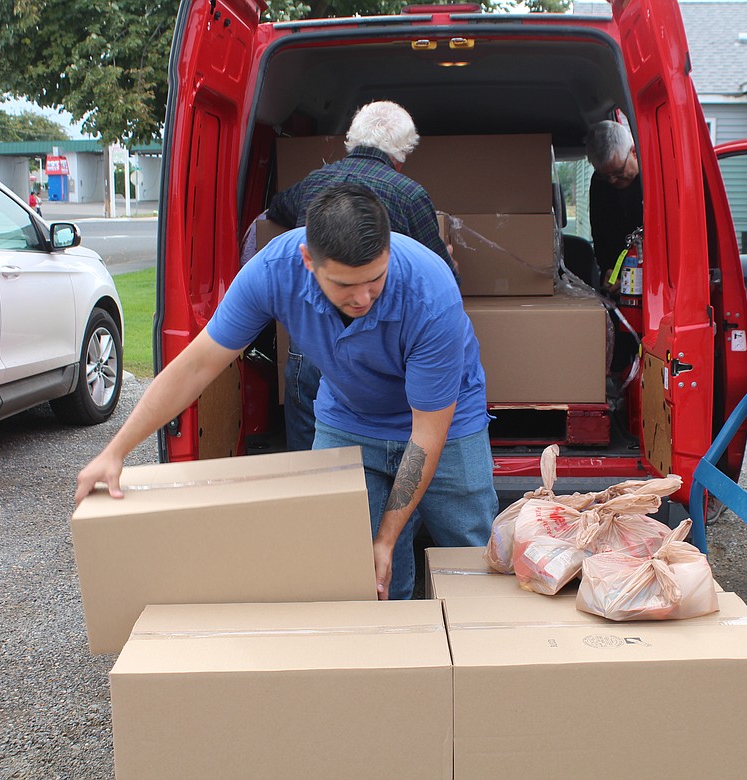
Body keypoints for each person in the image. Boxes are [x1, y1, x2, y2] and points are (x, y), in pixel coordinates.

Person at [75, 183, 496, 601]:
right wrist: (115, 451)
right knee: (355, 570)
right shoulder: (273, 272)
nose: (363, 297)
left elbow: (425, 435)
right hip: (350, 418)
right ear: (308, 261)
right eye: (345, 286)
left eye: (375, 280)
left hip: (444, 423)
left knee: (474, 554)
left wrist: (386, 538)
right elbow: (197, 364)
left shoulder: (430, 292)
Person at [267, 100, 457, 452]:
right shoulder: (409, 195)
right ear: (401, 156)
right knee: (376, 446)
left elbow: (277, 208)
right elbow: (442, 279)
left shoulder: (315, 183)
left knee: (308, 459)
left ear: (351, 142)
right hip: (378, 350)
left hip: (309, 341)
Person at [586, 120, 642, 288]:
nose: (612, 181)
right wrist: (607, 269)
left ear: (633, 152)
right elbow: (599, 231)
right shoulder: (599, 183)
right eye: (605, 175)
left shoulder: (655, 180)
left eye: (618, 172)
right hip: (617, 276)